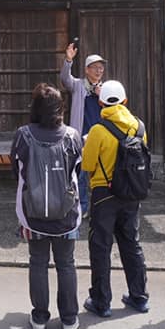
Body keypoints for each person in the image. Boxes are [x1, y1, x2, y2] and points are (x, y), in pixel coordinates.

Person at [10, 83, 83, 329]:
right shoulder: (72, 136)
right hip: (66, 215)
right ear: (60, 108)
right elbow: (77, 172)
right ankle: (70, 320)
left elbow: (15, 170)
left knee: (38, 262)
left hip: (33, 214)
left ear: (35, 108)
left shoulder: (23, 135)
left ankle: (40, 318)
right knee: (66, 263)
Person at [81, 80, 150, 317]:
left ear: (101, 103)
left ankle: (101, 301)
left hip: (104, 194)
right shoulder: (139, 128)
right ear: (125, 101)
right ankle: (139, 296)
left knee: (101, 247)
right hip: (132, 193)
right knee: (131, 243)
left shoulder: (99, 130)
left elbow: (87, 164)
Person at [60, 42, 107, 218]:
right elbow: (65, 79)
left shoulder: (106, 88)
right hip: (81, 138)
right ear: (87, 70)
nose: (98, 71)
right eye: (95, 67)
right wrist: (68, 60)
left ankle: (100, 207)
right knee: (80, 175)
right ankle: (84, 207)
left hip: (102, 138)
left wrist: (100, 93)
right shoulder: (78, 85)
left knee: (100, 176)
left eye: (101, 68)